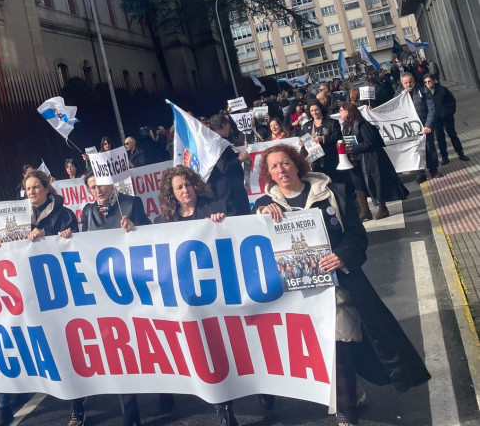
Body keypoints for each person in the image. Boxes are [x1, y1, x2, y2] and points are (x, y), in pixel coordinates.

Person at [254, 144, 430, 426]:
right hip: (296, 297)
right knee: (321, 352)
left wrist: (341, 256)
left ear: (297, 165)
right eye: (273, 166)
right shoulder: (264, 205)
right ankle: (349, 389)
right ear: (269, 174)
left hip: (339, 288)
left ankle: (347, 414)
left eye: (285, 163)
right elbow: (248, 243)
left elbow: (357, 236)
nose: (280, 170)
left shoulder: (331, 193)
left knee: (341, 345)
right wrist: (259, 211)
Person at [154, 165, 244, 426]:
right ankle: (223, 410)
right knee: (204, 351)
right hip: (186, 299)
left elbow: (238, 233)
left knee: (226, 348)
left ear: (196, 185)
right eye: (179, 187)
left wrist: (222, 224)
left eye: (188, 185)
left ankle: (254, 392)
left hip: (217, 294)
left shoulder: (215, 207)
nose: (185, 191)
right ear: (171, 194)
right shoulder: (165, 221)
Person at [0, 169, 78, 426]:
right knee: (16, 339)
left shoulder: (65, 214)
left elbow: (74, 245)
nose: (31, 192)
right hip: (24, 289)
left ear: (47, 188)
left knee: (64, 346)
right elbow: (11, 247)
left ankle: (77, 405)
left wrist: (48, 238)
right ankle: (4, 405)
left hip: (55, 290)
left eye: (36, 187)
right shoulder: (17, 218)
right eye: (28, 189)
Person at [73, 173, 150, 426]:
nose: (98, 191)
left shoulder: (131, 203)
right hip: (105, 290)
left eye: (101, 185)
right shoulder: (87, 211)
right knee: (118, 347)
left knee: (144, 341)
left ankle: (163, 388)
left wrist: (135, 228)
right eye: (93, 188)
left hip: (134, 284)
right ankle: (131, 413)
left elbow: (152, 235)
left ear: (112, 184)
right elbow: (83, 242)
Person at [339, 102, 408, 220]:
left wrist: (353, 148)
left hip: (369, 158)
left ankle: (383, 208)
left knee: (376, 182)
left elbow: (370, 142)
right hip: (355, 160)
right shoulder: (346, 125)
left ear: (348, 111)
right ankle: (365, 210)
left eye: (341, 110)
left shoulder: (362, 124)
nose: (340, 113)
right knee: (358, 183)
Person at [207, 113, 251, 216]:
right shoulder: (216, 143)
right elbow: (224, 167)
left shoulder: (217, 142)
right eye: (228, 124)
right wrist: (240, 159)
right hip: (230, 198)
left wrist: (237, 156)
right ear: (223, 126)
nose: (229, 127)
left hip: (232, 194)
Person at [401, 73, 440, 181]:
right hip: (410, 129)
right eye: (406, 83)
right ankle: (420, 172)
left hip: (424, 126)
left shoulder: (423, 90)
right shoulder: (399, 94)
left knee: (429, 148)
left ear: (414, 81)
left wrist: (428, 125)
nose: (408, 84)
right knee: (415, 150)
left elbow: (432, 109)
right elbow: (391, 107)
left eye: (410, 82)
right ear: (402, 83)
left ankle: (433, 170)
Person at [423, 75, 469, 164]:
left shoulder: (442, 90)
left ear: (434, 81)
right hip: (435, 119)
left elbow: (452, 101)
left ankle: (460, 153)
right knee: (440, 138)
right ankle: (444, 157)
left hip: (447, 117)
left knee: (452, 135)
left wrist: (447, 112)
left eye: (429, 81)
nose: (427, 83)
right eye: (425, 82)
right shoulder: (424, 93)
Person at [298, 101, 345, 183]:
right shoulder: (306, 125)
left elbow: (337, 137)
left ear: (321, 109)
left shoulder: (332, 122)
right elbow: (304, 140)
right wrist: (302, 143)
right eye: (312, 111)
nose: (314, 112)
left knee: (334, 182)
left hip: (330, 158)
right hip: (315, 161)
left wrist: (323, 138)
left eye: (316, 110)